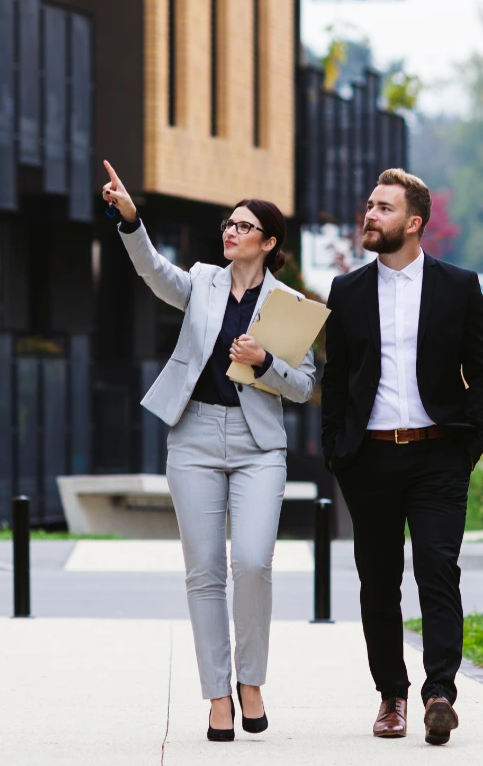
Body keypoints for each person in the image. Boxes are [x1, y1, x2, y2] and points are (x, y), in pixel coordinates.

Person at [101, 160, 317, 742]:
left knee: (251, 561)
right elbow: (152, 271)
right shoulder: (201, 281)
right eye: (229, 223)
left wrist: (265, 363)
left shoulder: (291, 305)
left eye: (245, 227)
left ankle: (252, 680)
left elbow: (304, 386)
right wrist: (130, 219)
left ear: (269, 243)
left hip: (258, 445)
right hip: (193, 434)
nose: (231, 231)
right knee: (203, 574)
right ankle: (219, 695)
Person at [319, 168, 483, 746]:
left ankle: (439, 692)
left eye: (383, 208)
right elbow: (337, 376)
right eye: (369, 205)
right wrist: (336, 451)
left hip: (438, 455)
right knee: (378, 581)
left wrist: (468, 444)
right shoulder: (346, 291)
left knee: (438, 571)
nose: (369, 215)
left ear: (414, 223)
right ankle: (391, 696)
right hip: (368, 458)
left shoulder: (459, 286)